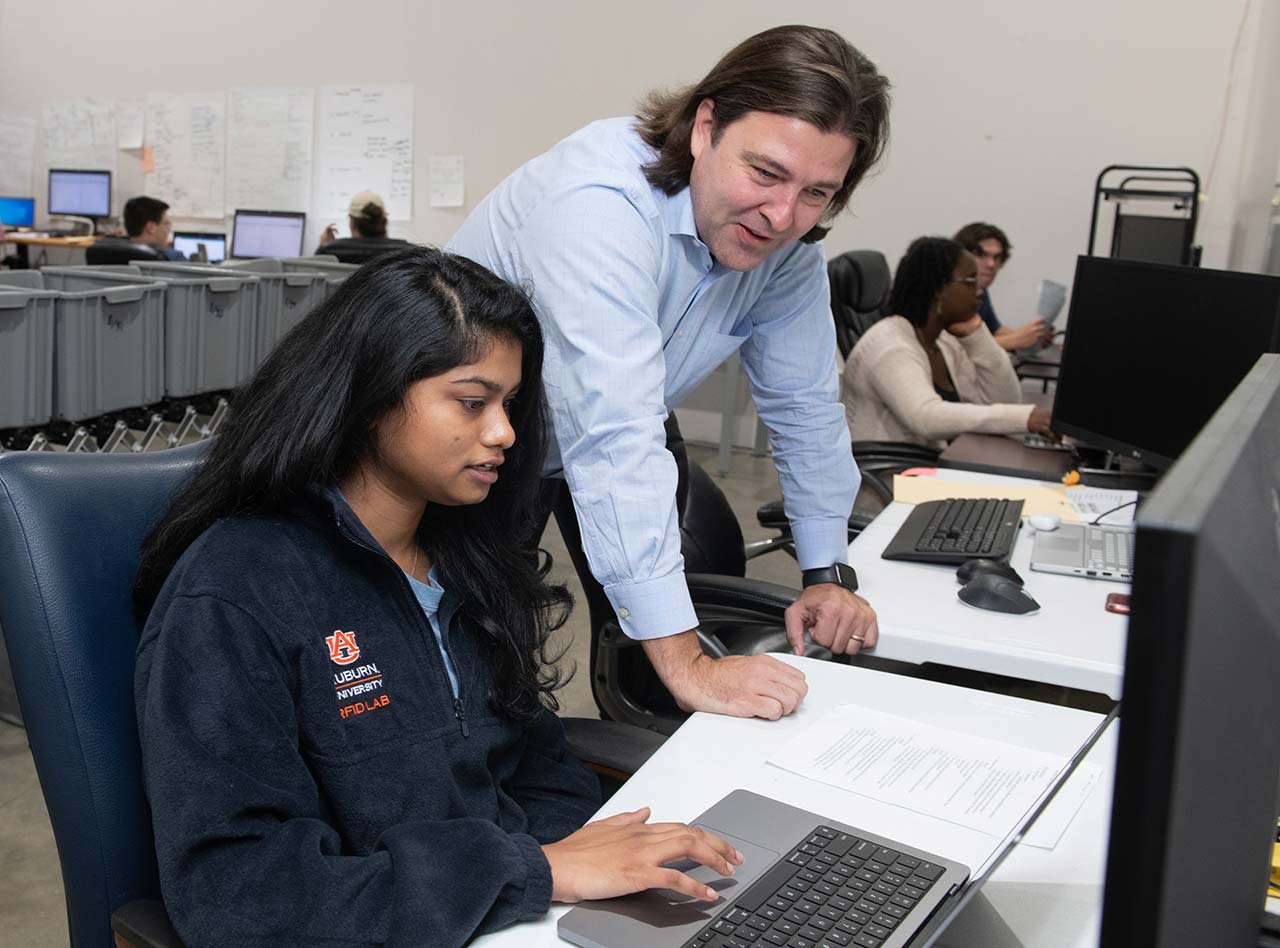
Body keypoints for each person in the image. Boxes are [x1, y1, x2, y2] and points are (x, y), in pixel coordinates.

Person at [132, 247, 744, 948]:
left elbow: (537, 763)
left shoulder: (464, 558)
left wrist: (582, 877)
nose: (505, 433)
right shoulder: (237, 591)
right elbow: (239, 891)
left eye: (510, 404)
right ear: (370, 397)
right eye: (472, 401)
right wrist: (537, 872)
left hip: (509, 918)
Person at [448, 25, 891, 721]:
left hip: (604, 418)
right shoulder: (597, 203)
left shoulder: (787, 249)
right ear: (705, 126)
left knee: (666, 659)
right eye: (766, 173)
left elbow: (806, 406)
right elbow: (613, 434)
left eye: (816, 193)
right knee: (469, 671)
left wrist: (826, 573)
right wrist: (690, 667)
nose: (782, 216)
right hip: (471, 448)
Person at [842, 236, 1056, 449]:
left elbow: (1005, 400)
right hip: (892, 476)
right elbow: (926, 417)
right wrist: (1024, 418)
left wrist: (977, 334)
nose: (979, 290)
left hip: (930, 468)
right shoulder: (890, 346)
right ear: (939, 289)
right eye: (971, 281)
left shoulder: (944, 342)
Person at [953, 222, 1053, 352]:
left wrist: (1032, 336)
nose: (991, 264)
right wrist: (1016, 340)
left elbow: (995, 330)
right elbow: (955, 348)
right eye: (981, 254)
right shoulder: (950, 294)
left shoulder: (981, 291)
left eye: (997, 257)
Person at [315, 190, 410, 264]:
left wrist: (324, 246)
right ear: (384, 223)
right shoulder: (409, 254)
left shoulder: (329, 252)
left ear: (352, 223)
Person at [121, 196, 185, 260]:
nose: (168, 230)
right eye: (166, 224)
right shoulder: (174, 257)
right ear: (151, 228)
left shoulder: (115, 252)